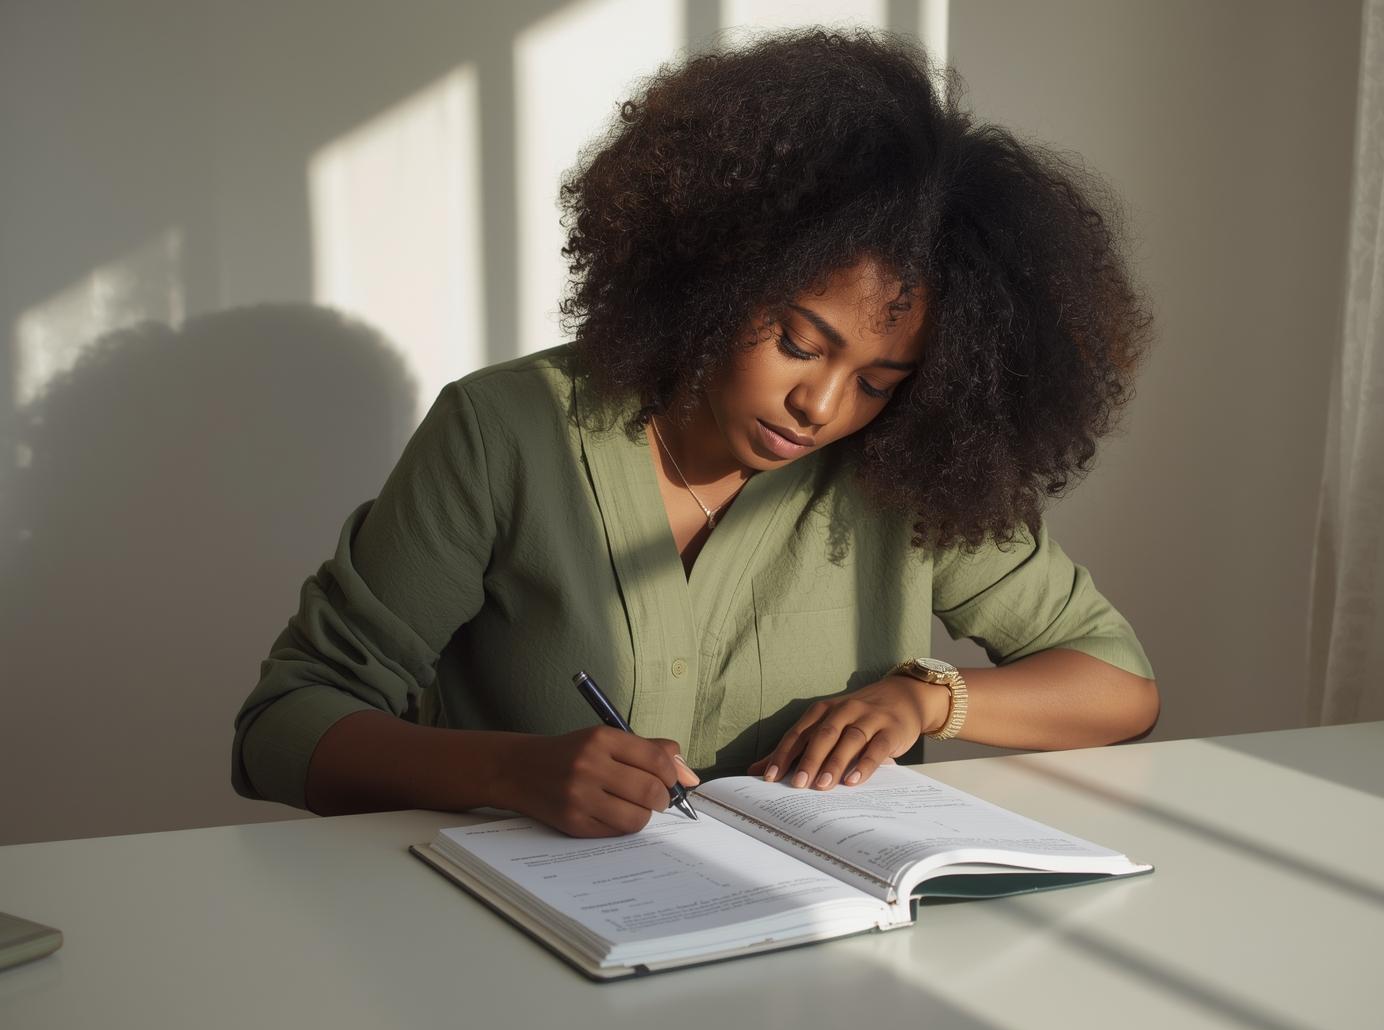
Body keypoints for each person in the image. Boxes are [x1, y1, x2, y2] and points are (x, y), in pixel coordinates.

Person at [232, 27, 1159, 839]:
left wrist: (927, 700)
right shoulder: (506, 433)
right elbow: (285, 722)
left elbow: (1117, 685)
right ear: (716, 273)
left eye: (879, 382)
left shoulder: (905, 467)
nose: (822, 406)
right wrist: (511, 771)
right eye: (798, 344)